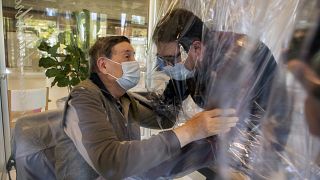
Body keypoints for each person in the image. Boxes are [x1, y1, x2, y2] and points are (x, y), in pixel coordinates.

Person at [54, 36, 238, 179]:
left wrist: (185, 71)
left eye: (134, 55)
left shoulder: (123, 99)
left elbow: (164, 117)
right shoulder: (84, 98)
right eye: (127, 56)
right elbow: (110, 163)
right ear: (103, 65)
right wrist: (190, 131)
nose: (135, 62)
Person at [151, 8, 289, 175]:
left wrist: (149, 168)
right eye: (161, 60)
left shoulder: (233, 61)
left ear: (196, 48)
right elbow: (168, 102)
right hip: (226, 141)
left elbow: (218, 130)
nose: (166, 67)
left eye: (168, 59)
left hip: (259, 145)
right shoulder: (192, 58)